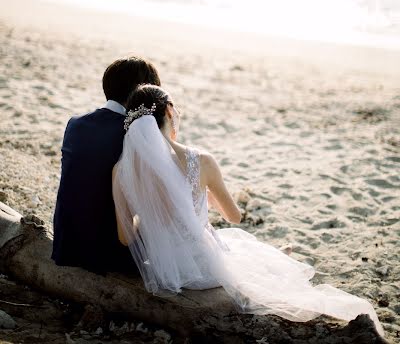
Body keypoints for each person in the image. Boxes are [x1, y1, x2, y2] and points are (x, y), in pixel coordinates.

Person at [112, 84, 384, 336]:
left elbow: (126, 238)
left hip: (166, 272)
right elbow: (234, 216)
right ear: (169, 111)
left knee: (240, 247)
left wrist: (155, 217)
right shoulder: (200, 160)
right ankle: (280, 256)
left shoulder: (120, 171)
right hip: (207, 271)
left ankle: (277, 255)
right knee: (245, 247)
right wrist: (201, 198)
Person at [52, 57, 160, 274]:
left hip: (67, 244)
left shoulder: (75, 124)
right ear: (142, 94)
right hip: (108, 253)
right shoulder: (134, 134)